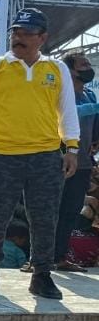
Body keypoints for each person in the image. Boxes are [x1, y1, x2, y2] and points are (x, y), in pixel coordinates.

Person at [0, 8, 79, 299]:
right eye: (16, 32)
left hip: (45, 155)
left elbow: (67, 111)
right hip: (0, 155)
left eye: (27, 33)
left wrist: (72, 147)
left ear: (42, 38)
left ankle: (41, 274)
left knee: (44, 217)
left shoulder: (57, 69)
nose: (19, 38)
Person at [53, 52, 99, 271]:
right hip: (59, 163)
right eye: (83, 64)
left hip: (83, 164)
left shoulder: (90, 96)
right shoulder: (60, 95)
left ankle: (60, 256)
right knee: (51, 211)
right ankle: (41, 258)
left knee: (71, 211)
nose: (88, 68)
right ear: (70, 70)